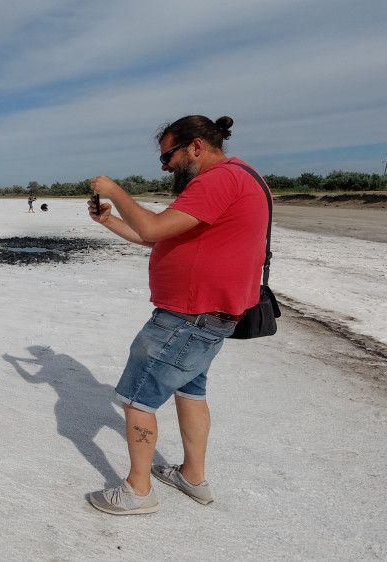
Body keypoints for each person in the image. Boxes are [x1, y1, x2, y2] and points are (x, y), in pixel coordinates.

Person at [85, 115, 269, 514]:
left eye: (168, 156)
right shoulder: (241, 176)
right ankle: (192, 476)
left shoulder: (218, 180)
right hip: (212, 315)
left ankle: (138, 491)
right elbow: (155, 236)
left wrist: (114, 190)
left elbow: (152, 230)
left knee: (137, 399)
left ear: (196, 146)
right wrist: (109, 219)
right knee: (191, 392)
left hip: (187, 318)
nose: (165, 166)